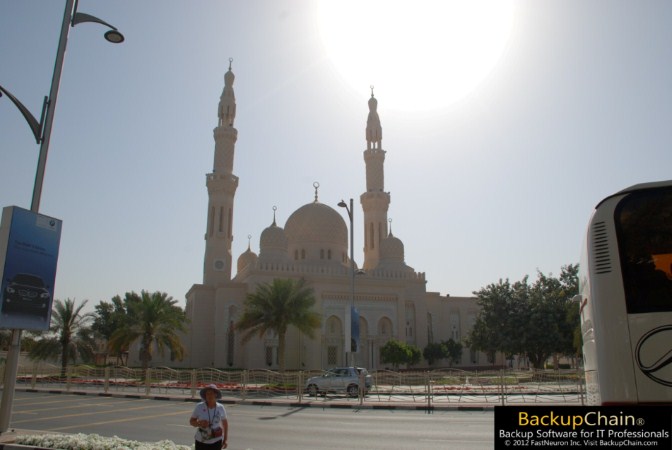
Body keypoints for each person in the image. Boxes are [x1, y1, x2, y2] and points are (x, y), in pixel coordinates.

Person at [189, 384, 228, 449]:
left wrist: (225, 439)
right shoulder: (199, 406)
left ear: (215, 394)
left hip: (216, 441)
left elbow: (225, 424)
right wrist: (199, 423)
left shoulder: (220, 407)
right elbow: (191, 421)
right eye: (207, 394)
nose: (209, 396)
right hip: (201, 441)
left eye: (211, 393)